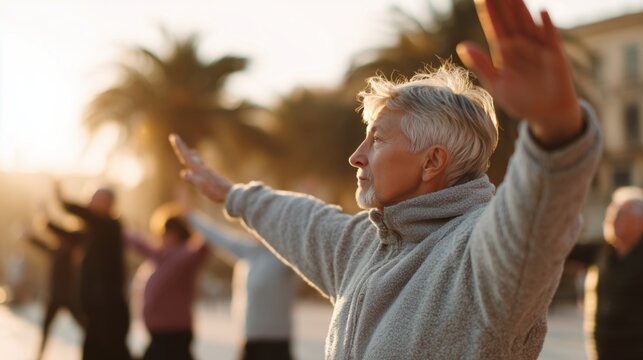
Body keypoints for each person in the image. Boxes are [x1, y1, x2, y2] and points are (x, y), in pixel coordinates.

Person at [169, 0, 603, 357]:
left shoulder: (480, 257)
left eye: (376, 140)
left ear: (432, 162)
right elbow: (299, 219)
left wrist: (556, 131)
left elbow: (535, 223)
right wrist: (230, 194)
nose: (356, 157)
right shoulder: (364, 245)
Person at [187, 211, 295, 360]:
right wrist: (190, 215)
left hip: (277, 340)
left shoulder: (284, 255)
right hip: (249, 338)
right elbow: (217, 236)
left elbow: (302, 242)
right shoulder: (246, 251)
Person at [56, 184, 131, 360]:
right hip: (96, 309)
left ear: (108, 203)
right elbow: (69, 235)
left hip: (109, 309)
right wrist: (45, 223)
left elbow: (87, 215)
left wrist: (65, 202)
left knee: (111, 351)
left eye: (95, 199)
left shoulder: (110, 226)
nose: (90, 203)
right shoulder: (92, 232)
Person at [567, 187, 643, 359]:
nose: (612, 221)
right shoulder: (602, 251)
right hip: (602, 348)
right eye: (611, 215)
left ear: (640, 222)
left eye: (621, 216)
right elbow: (561, 250)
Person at [125, 214, 209, 360]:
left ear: (177, 233)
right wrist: (118, 228)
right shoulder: (161, 255)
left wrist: (191, 216)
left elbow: (204, 245)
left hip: (175, 332)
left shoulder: (187, 255)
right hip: (158, 333)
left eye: (166, 233)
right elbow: (140, 245)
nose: (162, 237)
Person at [25, 221, 84, 359]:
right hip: (58, 296)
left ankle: (94, 349)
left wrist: (46, 223)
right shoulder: (58, 250)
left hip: (67, 296)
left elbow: (46, 244)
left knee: (83, 325)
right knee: (46, 326)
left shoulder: (70, 250)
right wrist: (30, 238)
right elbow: (42, 246)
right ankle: (40, 355)